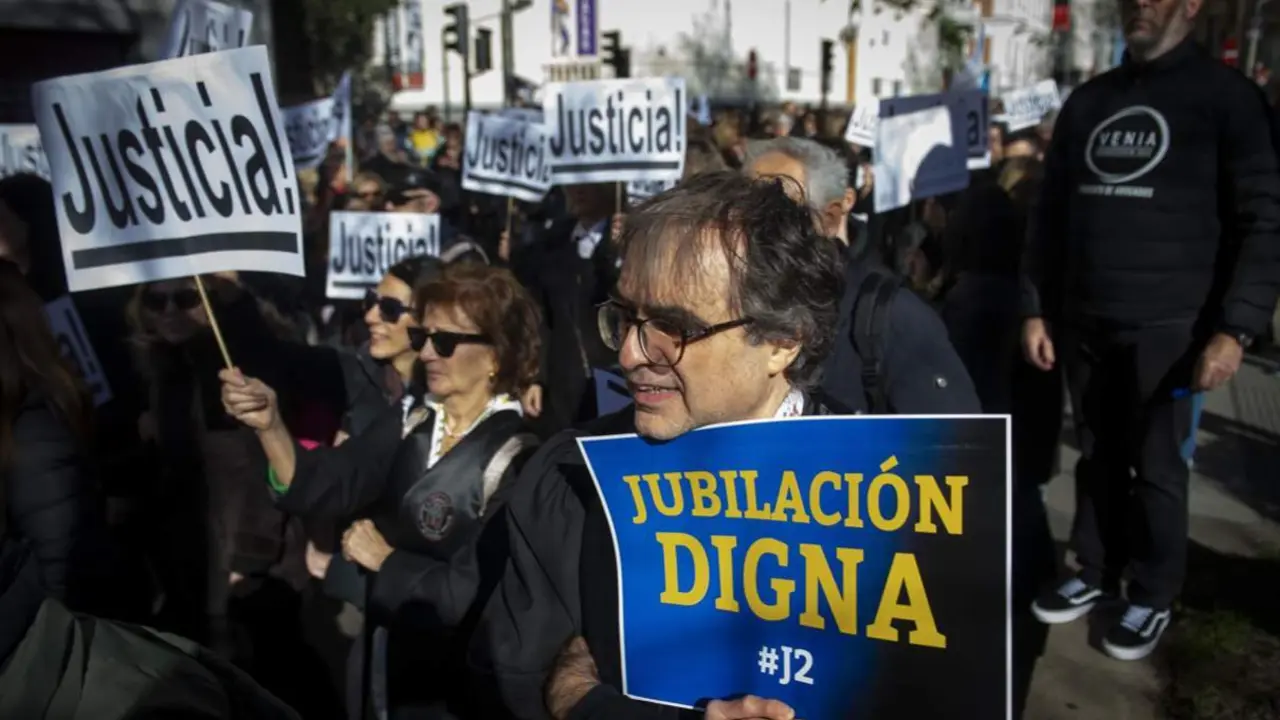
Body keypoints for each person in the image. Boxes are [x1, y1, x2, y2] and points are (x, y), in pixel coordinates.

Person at [472, 171, 843, 719]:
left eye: (674, 327)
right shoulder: (570, 475)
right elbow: (513, 677)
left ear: (782, 343)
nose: (628, 356)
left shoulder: (896, 493)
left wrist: (579, 691)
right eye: (626, 318)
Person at [1022, 0, 1280, 661]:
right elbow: (1049, 215)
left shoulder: (1227, 100)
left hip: (1174, 327)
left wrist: (1236, 329)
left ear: (1190, 5)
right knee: (1098, 454)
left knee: (1160, 467)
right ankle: (1094, 570)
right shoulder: (1089, 102)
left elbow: (1262, 221)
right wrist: (1037, 307)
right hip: (1083, 320)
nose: (1138, 7)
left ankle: (1152, 593)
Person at [221, 263, 543, 719]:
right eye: (423, 337)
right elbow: (330, 481)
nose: (427, 352)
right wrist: (269, 425)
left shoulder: (521, 455)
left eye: (445, 342)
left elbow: (479, 594)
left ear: (496, 356)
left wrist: (384, 559)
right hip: (386, 660)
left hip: (461, 689)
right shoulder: (415, 420)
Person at [0, 260, 299, 719]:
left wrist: (249, 562)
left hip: (236, 568)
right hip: (183, 559)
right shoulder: (158, 369)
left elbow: (257, 475)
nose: (170, 312)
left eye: (186, 299)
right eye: (157, 301)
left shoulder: (235, 374)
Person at [742, 136, 980, 415]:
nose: (750, 222)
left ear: (830, 218)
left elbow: (947, 451)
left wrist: (875, 461)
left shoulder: (892, 317)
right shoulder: (719, 304)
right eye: (742, 204)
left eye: (775, 208)